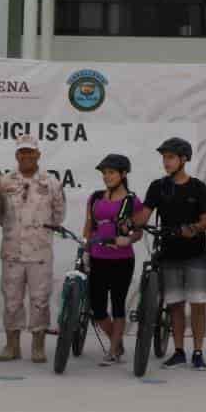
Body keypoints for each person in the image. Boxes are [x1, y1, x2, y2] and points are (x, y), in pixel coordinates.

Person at [135, 137, 206, 370]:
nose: (166, 162)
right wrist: (130, 223)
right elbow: (145, 214)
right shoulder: (158, 186)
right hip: (168, 253)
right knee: (175, 305)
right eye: (164, 157)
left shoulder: (198, 187)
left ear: (183, 159)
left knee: (198, 304)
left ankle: (198, 352)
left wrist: (193, 228)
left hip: (195, 254)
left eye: (170, 157)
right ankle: (179, 351)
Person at [0, 139, 67, 364]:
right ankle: (12, 346)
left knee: (40, 300)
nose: (26, 156)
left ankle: (38, 346)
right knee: (12, 300)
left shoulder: (51, 182)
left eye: (31, 152)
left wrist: (37, 232)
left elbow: (58, 214)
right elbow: (0, 214)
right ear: (17, 155)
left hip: (39, 254)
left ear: (38, 154)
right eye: (22, 152)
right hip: (12, 252)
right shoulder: (5, 181)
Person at [85, 155, 140, 366]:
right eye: (104, 173)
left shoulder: (132, 201)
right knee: (98, 309)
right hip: (98, 257)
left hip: (122, 259)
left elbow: (138, 231)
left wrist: (128, 239)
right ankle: (116, 340)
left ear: (123, 174)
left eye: (111, 172)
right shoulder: (96, 197)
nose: (107, 176)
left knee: (118, 304)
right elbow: (89, 226)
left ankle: (114, 349)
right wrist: (86, 245)